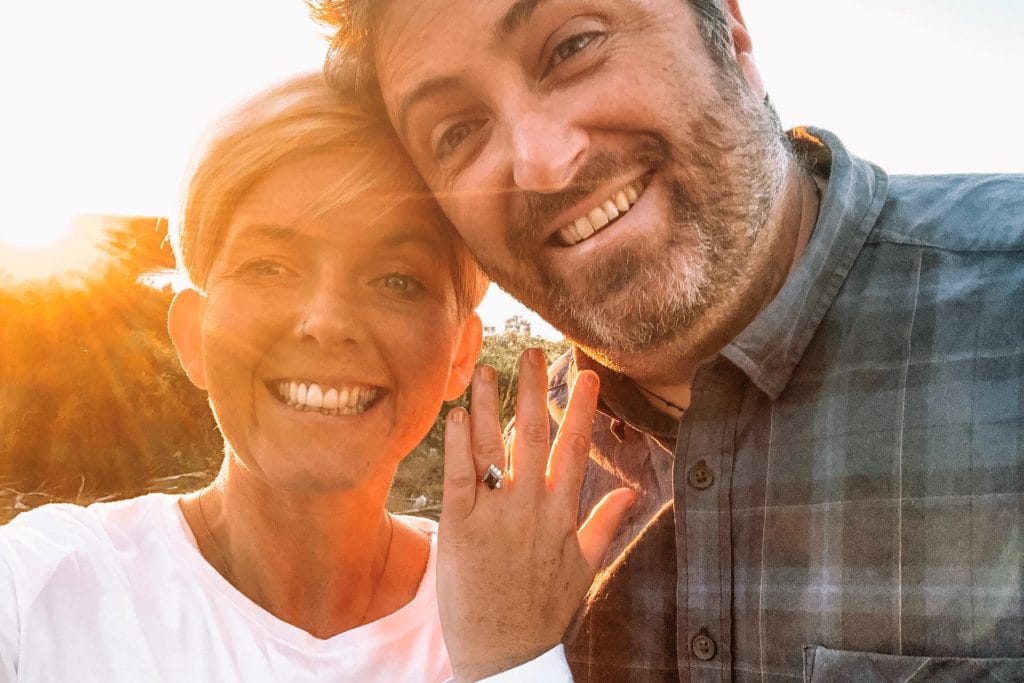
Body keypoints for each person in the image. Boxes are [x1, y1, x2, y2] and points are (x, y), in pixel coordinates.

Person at [309, 0, 1024, 679]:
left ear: (730, 32)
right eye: (458, 132)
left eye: (574, 45)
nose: (542, 162)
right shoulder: (521, 504)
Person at [0, 71, 502, 681]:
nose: (326, 321)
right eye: (269, 267)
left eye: (397, 279)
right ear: (192, 335)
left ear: (460, 353)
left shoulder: (515, 614)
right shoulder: (41, 589)